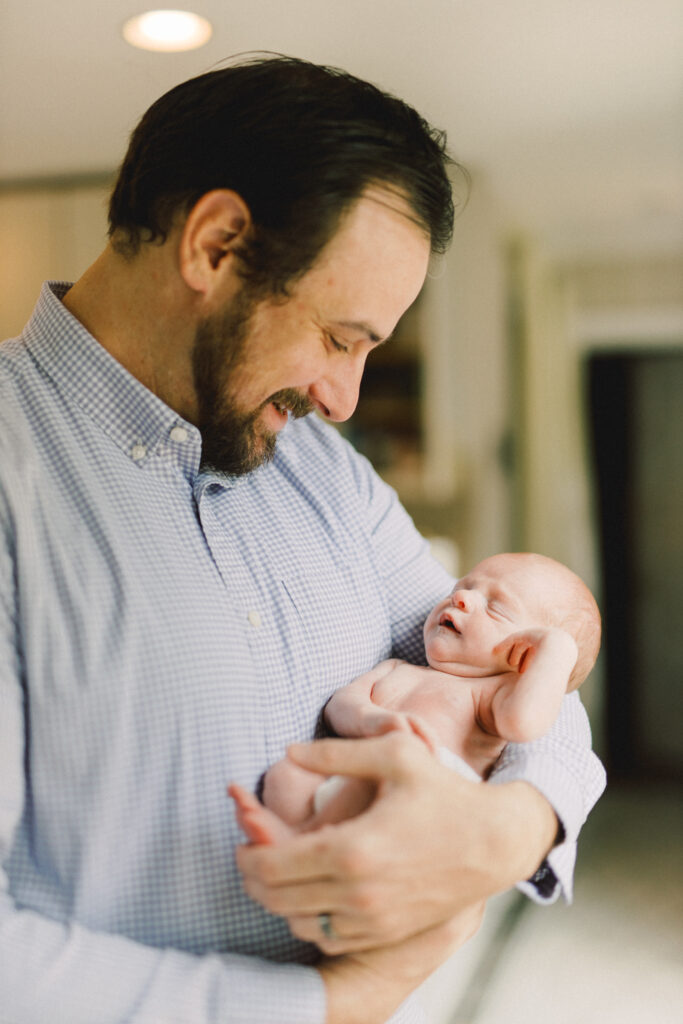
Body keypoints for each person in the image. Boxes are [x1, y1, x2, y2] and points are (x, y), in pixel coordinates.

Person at [0, 55, 606, 1024]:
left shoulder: (323, 469)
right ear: (216, 244)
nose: (343, 397)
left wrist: (502, 833)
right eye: (339, 336)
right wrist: (331, 1002)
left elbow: (528, 667)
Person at [230, 552, 601, 847]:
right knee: (288, 775)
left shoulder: (495, 696)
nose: (462, 596)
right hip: (351, 779)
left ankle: (308, 851)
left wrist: (557, 651)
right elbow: (340, 704)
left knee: (379, 781)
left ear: (526, 655)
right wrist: (368, 719)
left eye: (496, 607)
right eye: (463, 586)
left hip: (426, 804)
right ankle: (300, 845)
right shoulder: (397, 669)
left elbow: (527, 723)